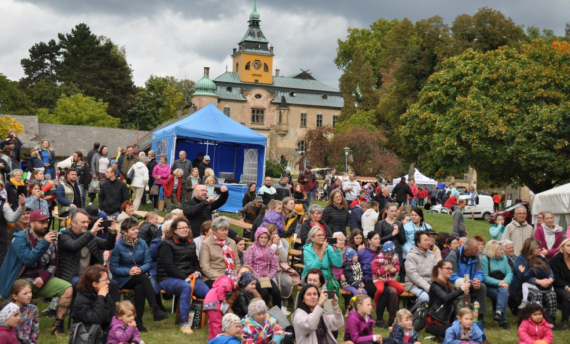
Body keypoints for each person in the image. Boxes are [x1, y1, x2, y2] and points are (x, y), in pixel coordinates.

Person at [0, 208, 73, 335]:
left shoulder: (49, 238)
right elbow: (28, 259)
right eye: (41, 222)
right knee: (24, 291)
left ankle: (58, 325)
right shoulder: (20, 238)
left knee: (68, 288)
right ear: (32, 223)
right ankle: (13, 327)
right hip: (20, 279)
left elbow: (53, 263)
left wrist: (44, 277)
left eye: (46, 222)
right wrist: (44, 243)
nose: (45, 225)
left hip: (40, 279)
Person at [111, 217, 169, 331]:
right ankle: (155, 308)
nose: (136, 231)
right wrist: (128, 271)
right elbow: (113, 268)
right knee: (143, 279)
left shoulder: (142, 243)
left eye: (137, 228)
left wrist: (140, 269)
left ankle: (138, 322)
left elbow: (148, 262)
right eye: (133, 229)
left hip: (139, 276)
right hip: (123, 278)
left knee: (140, 287)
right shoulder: (118, 246)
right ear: (124, 232)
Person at [57, 209, 120, 303]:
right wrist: (91, 232)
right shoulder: (64, 236)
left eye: (87, 222)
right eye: (83, 222)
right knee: (82, 286)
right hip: (71, 276)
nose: (86, 225)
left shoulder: (88, 235)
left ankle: (113, 316)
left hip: (90, 275)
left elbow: (108, 245)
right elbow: (74, 246)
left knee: (113, 284)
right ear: (73, 223)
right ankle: (84, 314)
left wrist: (112, 233)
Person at [510, 238, 557, 323]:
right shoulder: (520, 260)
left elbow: (549, 269)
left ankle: (550, 320)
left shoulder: (541, 258)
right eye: (537, 248)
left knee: (552, 295)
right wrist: (538, 281)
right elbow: (523, 277)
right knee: (537, 294)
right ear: (530, 249)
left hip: (542, 284)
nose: (540, 249)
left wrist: (550, 279)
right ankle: (530, 319)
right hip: (523, 287)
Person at [424, 260, 471, 341]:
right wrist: (461, 290)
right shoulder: (435, 285)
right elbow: (446, 298)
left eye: (451, 269)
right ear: (440, 270)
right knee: (460, 333)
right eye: (448, 268)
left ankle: (441, 337)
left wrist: (464, 294)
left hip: (448, 322)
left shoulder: (448, 285)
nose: (450, 271)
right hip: (435, 323)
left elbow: (453, 301)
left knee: (471, 327)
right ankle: (439, 338)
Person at [446, 238, 488, 322]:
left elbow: (479, 271)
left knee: (482, 287)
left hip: (470, 282)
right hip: (456, 282)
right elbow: (451, 275)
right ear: (468, 250)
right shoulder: (454, 255)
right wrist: (468, 282)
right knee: (455, 287)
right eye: (476, 249)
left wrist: (477, 280)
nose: (478, 251)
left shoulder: (475, 256)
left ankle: (480, 316)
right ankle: (457, 314)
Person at [244, 227, 281, 308]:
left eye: (265, 237)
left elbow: (274, 265)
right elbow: (248, 266)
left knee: (276, 292)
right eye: (261, 237)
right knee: (264, 292)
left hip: (267, 277)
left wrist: (269, 276)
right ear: (257, 237)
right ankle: (263, 311)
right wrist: (257, 277)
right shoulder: (251, 249)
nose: (263, 240)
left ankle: (277, 313)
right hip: (254, 278)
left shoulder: (270, 250)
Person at [72, 264, 115, 334]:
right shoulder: (80, 301)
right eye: (105, 280)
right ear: (95, 284)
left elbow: (111, 319)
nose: (108, 282)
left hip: (104, 335)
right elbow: (96, 321)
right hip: (88, 337)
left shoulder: (105, 295)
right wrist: (100, 298)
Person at [199, 216, 241, 287]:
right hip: (213, 277)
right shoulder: (206, 244)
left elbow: (237, 263)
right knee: (225, 285)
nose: (225, 232)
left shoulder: (232, 242)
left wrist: (234, 275)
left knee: (248, 283)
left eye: (226, 230)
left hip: (231, 275)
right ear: (214, 231)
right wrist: (223, 277)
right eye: (222, 230)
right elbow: (205, 267)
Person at [481, 240, 512, 329]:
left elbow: (509, 272)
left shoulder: (504, 258)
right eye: (500, 249)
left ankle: (498, 312)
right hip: (489, 286)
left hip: (502, 285)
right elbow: (485, 277)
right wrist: (499, 282)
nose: (503, 251)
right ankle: (503, 321)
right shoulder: (485, 259)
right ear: (493, 250)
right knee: (503, 294)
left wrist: (505, 282)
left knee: (503, 291)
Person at [301, 226, 343, 292]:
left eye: (323, 235)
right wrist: (322, 252)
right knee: (320, 287)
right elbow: (313, 269)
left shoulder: (328, 248)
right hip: (309, 277)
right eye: (319, 235)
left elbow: (338, 264)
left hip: (325, 278)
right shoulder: (307, 250)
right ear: (312, 238)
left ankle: (328, 300)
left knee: (327, 288)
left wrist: (338, 249)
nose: (322, 237)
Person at [372, 241, 404, 324]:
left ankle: (391, 302)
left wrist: (395, 269)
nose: (390, 256)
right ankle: (375, 303)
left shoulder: (394, 258)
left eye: (391, 254)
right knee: (380, 290)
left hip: (389, 278)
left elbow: (397, 264)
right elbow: (375, 271)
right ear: (384, 252)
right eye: (388, 254)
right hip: (379, 278)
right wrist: (385, 269)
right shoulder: (378, 259)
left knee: (400, 289)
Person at [375, 203, 406, 281]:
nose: (393, 213)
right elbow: (378, 240)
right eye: (391, 211)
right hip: (384, 253)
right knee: (384, 276)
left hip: (396, 252)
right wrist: (392, 234)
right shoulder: (381, 223)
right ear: (386, 211)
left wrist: (397, 232)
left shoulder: (399, 224)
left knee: (393, 277)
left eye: (395, 211)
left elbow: (403, 241)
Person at [9, 280, 39, 344]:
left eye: (30, 292)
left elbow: (35, 329)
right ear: (15, 296)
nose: (29, 295)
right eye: (25, 293)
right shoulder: (8, 311)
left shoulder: (33, 309)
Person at [551, 238, 570, 330]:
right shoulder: (556, 259)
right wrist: (567, 287)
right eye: (568, 246)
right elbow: (556, 279)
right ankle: (564, 322)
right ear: (563, 247)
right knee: (568, 296)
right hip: (558, 286)